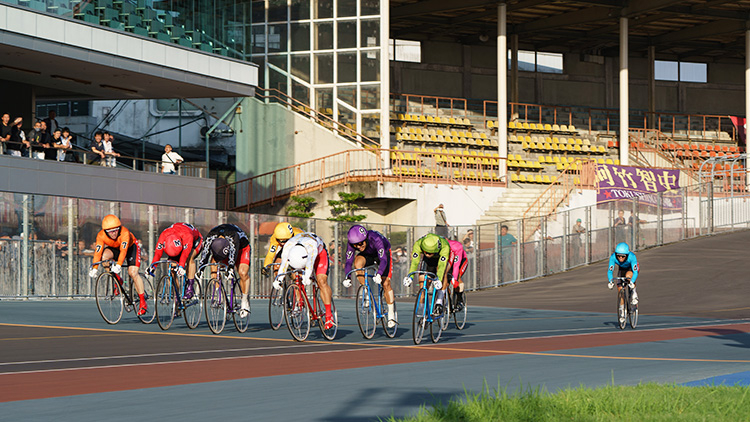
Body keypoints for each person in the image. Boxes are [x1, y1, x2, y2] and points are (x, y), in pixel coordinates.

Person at [273, 231, 335, 329]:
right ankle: (301, 302)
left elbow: (310, 265)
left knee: (321, 281)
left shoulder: (312, 247)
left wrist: (307, 277)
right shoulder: (288, 247)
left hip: (319, 254)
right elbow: (284, 263)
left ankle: (328, 315)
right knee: (297, 277)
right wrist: (278, 279)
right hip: (298, 254)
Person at [88, 214, 148, 316]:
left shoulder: (124, 232)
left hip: (130, 248)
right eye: (111, 231)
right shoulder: (101, 235)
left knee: (132, 272)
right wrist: (95, 268)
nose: (114, 233)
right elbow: (98, 252)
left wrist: (119, 265)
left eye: (116, 230)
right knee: (104, 257)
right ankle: (117, 279)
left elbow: (123, 251)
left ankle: (142, 302)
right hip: (115, 248)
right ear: (106, 232)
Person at [341, 225, 397, 327]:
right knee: (357, 263)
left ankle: (391, 314)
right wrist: (347, 277)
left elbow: (383, 259)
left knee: (385, 283)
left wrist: (379, 274)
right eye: (355, 245)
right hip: (368, 255)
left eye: (360, 243)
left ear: (366, 238)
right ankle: (366, 291)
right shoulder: (351, 244)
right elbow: (348, 262)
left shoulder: (375, 238)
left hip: (383, 254)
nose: (358, 247)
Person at [197, 223, 251, 317]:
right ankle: (219, 293)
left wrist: (230, 268)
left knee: (242, 273)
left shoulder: (233, 236)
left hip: (241, 249)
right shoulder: (211, 236)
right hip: (223, 249)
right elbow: (205, 253)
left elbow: (233, 255)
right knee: (213, 264)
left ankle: (245, 300)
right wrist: (201, 269)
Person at [147, 222, 203, 300]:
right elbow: (158, 253)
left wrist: (181, 266)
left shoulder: (187, 236)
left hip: (195, 240)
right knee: (171, 264)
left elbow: (185, 254)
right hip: (176, 239)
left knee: (189, 258)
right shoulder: (164, 235)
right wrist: (153, 267)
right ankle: (176, 293)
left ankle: (190, 287)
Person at [403, 233, 451, 315]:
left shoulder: (445, 246)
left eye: (430, 253)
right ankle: (423, 312)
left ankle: (439, 300)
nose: (428, 255)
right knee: (422, 282)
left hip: (440, 259)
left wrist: (438, 279)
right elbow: (415, 262)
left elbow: (442, 265)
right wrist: (410, 277)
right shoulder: (418, 244)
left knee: (444, 273)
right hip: (427, 262)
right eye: (426, 252)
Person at [607, 242, 640, 320]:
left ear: (627, 255)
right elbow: (610, 271)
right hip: (621, 270)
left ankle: (634, 293)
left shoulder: (632, 257)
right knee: (620, 290)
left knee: (628, 276)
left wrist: (632, 282)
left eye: (623, 256)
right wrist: (610, 281)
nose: (620, 258)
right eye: (618, 256)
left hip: (631, 269)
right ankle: (622, 311)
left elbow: (635, 272)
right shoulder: (613, 257)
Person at [447, 239, 467, 311]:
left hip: (461, 261)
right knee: (445, 282)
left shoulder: (456, 246)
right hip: (449, 262)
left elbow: (456, 265)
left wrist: (454, 279)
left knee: (457, 277)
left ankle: (459, 299)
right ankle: (447, 300)